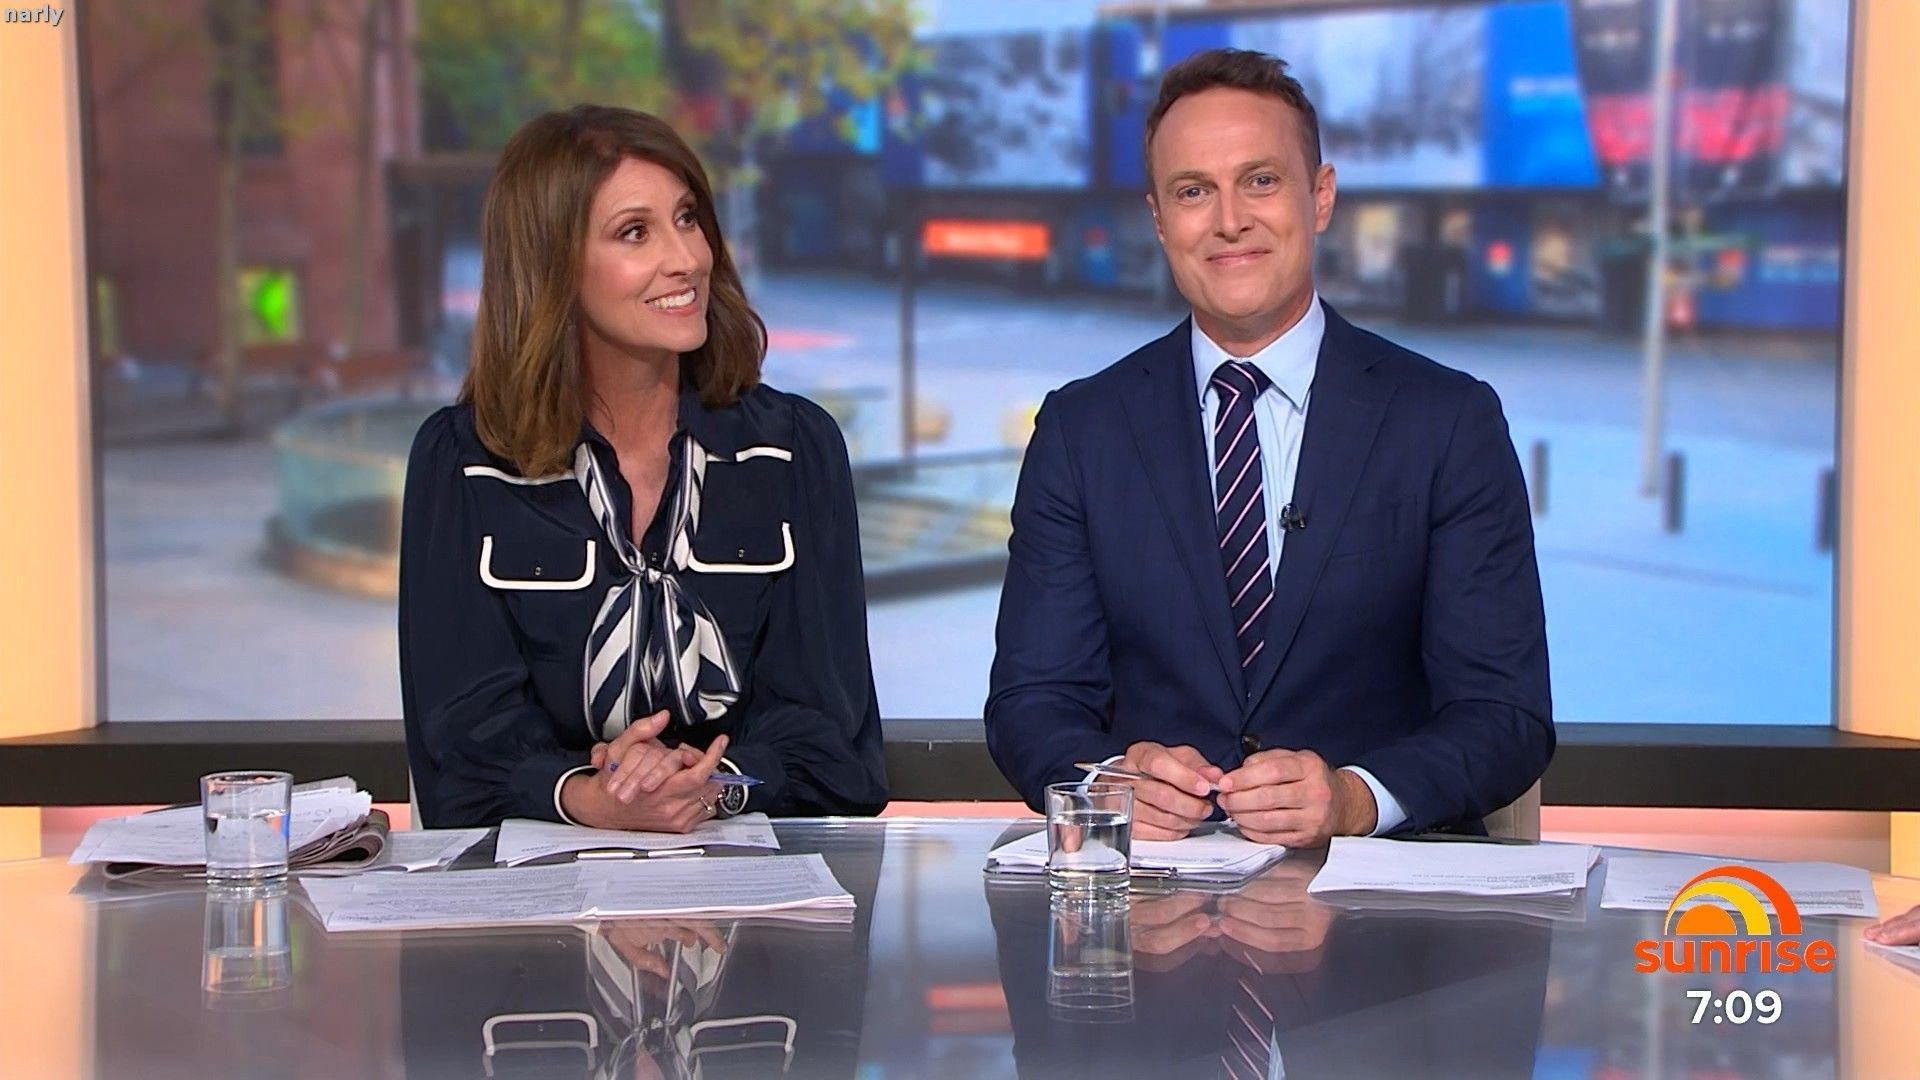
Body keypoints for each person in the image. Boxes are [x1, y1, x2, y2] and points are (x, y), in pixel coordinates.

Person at [985, 48, 1553, 845]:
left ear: (1320, 197)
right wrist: (1107, 781)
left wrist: (1355, 800)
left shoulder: (1447, 421)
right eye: (1193, 191)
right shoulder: (1083, 430)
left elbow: (1504, 713)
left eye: (1260, 180)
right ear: (1159, 219)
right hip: (1155, 896)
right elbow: (1032, 702)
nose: (1229, 220)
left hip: (1382, 901)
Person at [399, 105, 887, 830]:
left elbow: (832, 741)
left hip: (748, 870)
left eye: (687, 218)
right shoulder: (463, 464)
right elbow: (460, 753)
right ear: (552, 265)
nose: (686, 258)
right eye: (635, 232)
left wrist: (712, 785)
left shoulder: (793, 451)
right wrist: (591, 797)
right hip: (541, 882)